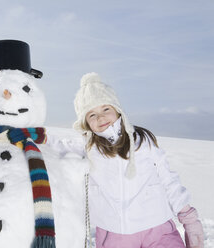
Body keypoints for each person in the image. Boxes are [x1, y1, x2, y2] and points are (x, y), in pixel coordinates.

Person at [47, 72, 204, 248]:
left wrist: (189, 218)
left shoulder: (143, 141)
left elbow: (168, 179)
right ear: (85, 123)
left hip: (158, 228)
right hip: (115, 234)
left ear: (118, 110)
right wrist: (32, 136)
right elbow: (56, 145)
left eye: (106, 109)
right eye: (91, 115)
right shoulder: (88, 147)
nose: (100, 117)